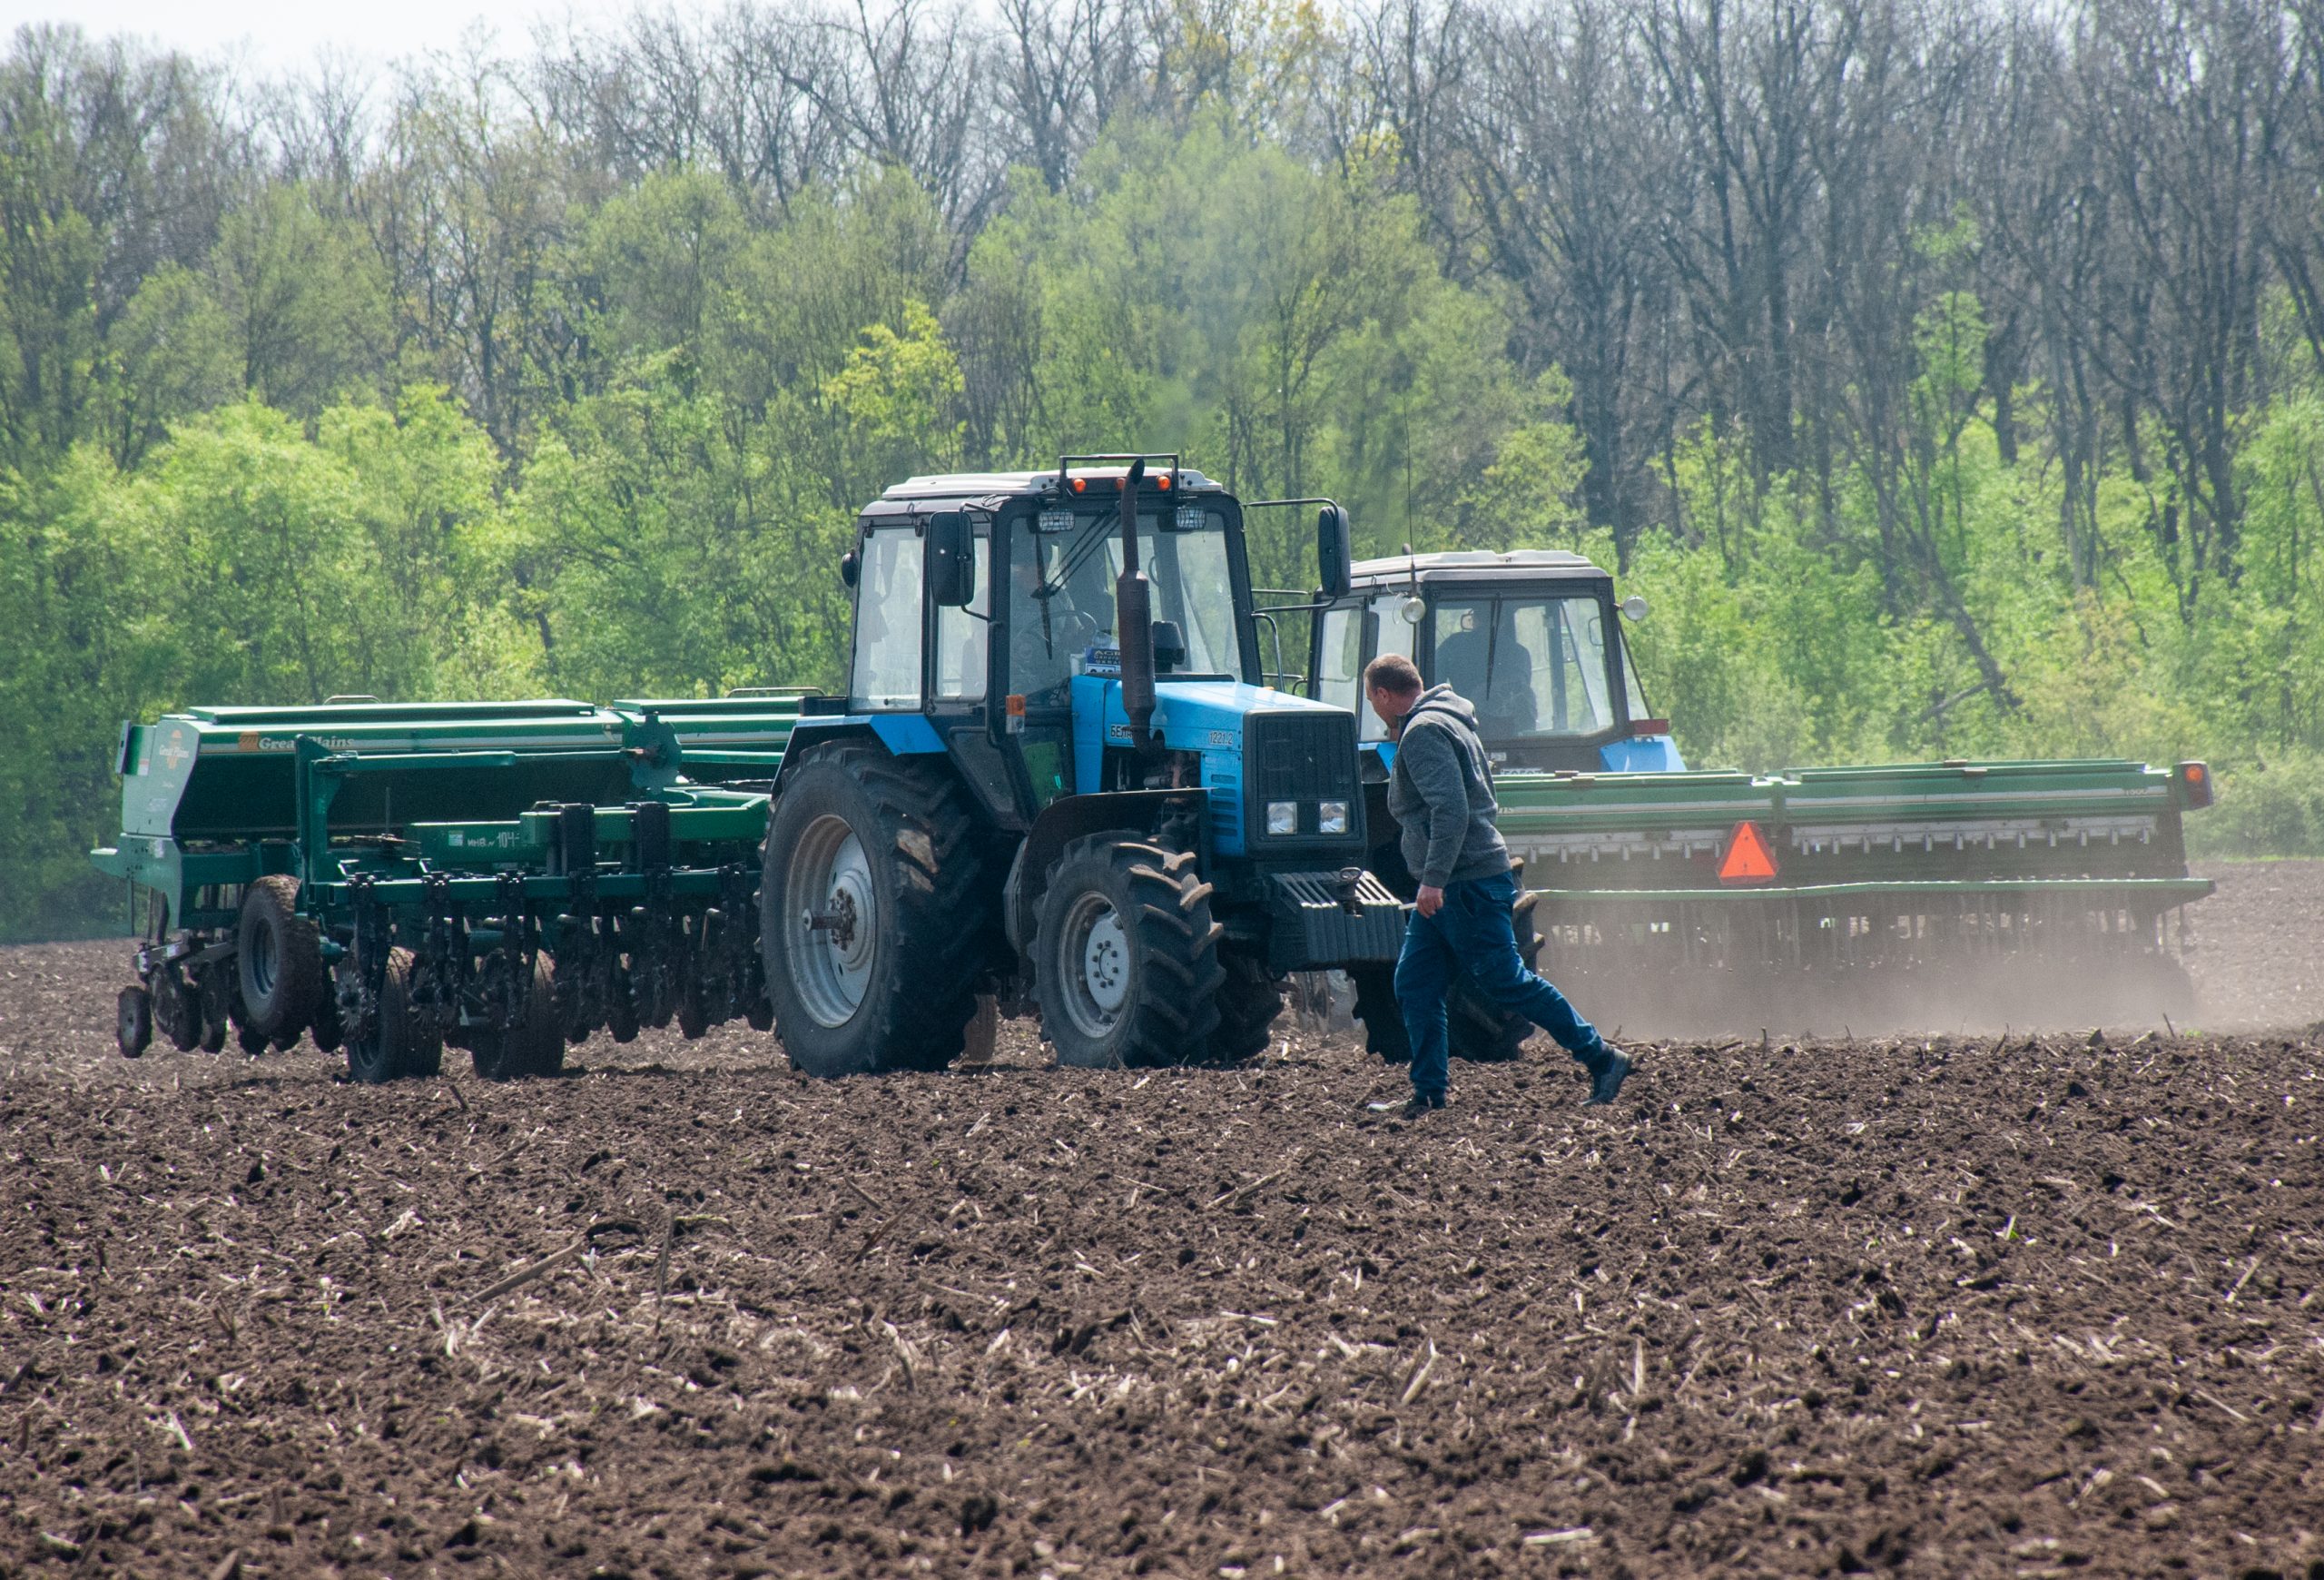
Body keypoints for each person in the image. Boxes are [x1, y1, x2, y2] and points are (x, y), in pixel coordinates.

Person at [1364, 651, 1632, 1117]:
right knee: (1415, 983)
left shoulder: (1424, 732)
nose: (1373, 707)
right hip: (1455, 884)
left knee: (1508, 983)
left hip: (1463, 883)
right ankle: (1428, 1093)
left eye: (1371, 699)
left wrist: (1432, 880)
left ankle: (1603, 1058)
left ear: (1384, 695)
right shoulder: (1452, 718)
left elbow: (1451, 810)